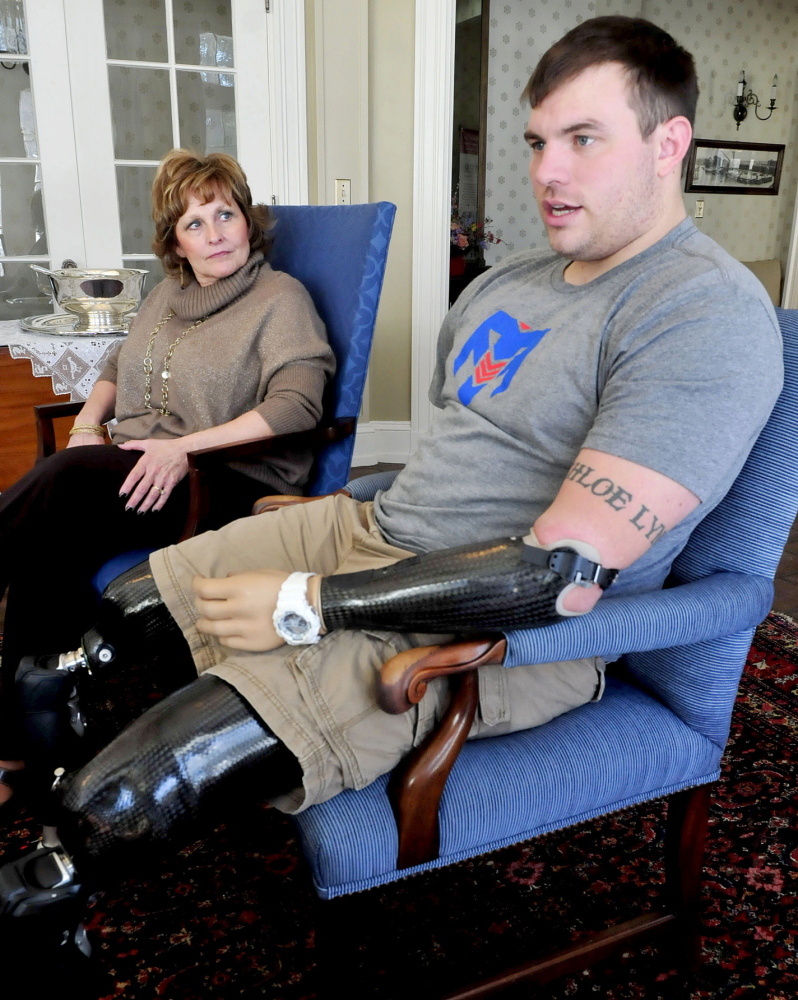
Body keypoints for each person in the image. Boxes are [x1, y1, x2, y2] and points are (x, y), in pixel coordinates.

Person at [0, 15, 783, 951]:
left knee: (109, 810)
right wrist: (333, 538)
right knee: (73, 652)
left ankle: (58, 898)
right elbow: (458, 451)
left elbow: (556, 577)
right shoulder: (507, 283)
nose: (547, 172)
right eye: (538, 141)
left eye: (584, 140)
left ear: (670, 143)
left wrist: (305, 605)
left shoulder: (701, 312)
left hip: (495, 621)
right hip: (374, 531)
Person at [0, 149, 335, 807]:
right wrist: (87, 422)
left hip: (221, 482)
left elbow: (298, 405)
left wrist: (184, 449)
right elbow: (118, 365)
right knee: (51, 544)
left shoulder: (280, 298)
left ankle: (20, 749)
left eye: (224, 214)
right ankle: (25, 747)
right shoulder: (165, 297)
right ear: (174, 242)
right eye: (194, 223)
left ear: (247, 221)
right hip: (132, 471)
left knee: (64, 485)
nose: (214, 234)